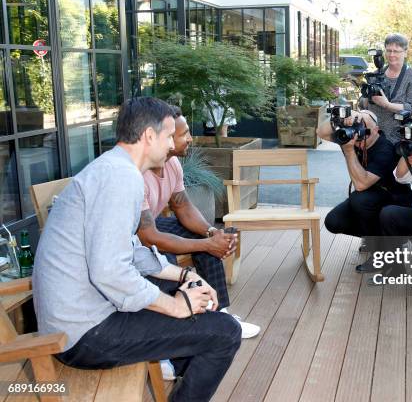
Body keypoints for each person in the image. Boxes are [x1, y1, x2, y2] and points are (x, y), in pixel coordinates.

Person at [33, 97, 241, 402]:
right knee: (225, 333)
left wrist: (183, 275)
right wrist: (175, 306)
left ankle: (184, 364)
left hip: (83, 318)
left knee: (189, 306)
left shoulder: (112, 169)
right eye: (169, 136)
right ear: (148, 136)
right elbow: (109, 272)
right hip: (85, 334)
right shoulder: (120, 179)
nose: (172, 145)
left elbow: (131, 250)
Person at [137, 105, 261, 341]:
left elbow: (183, 206)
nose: (190, 138)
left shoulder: (171, 164)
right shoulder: (137, 173)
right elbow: (148, 237)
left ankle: (220, 312)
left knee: (206, 238)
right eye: (184, 134)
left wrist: (212, 233)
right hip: (135, 237)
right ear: (166, 138)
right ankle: (179, 324)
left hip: (150, 228)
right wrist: (206, 245)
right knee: (172, 252)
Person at [317, 110, 412, 239]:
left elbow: (361, 185)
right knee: (333, 222)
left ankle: (383, 243)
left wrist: (349, 151)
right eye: (356, 127)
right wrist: (342, 117)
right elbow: (321, 132)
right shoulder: (352, 139)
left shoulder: (385, 149)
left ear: (376, 130)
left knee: (359, 200)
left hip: (394, 200)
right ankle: (374, 236)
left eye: (364, 129)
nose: (359, 133)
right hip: (368, 197)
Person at [360, 33, 412, 145]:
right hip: (371, 136)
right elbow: (362, 104)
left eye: (396, 51)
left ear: (405, 52)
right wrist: (367, 97)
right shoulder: (376, 75)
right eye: (388, 50)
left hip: (396, 139)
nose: (391, 54)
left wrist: (387, 105)